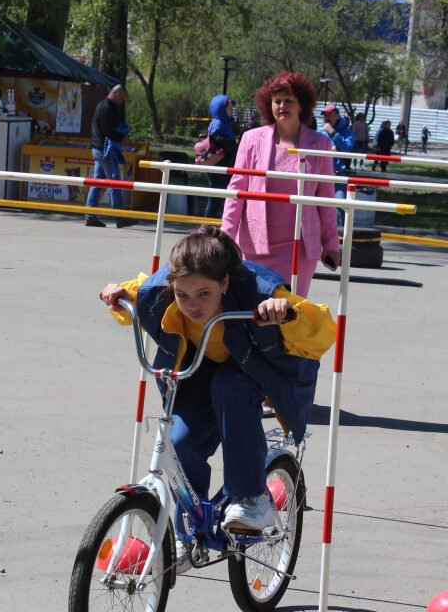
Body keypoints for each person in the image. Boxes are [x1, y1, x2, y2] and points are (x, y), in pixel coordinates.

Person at [98, 226, 335, 538]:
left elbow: (323, 328)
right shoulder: (164, 291)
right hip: (200, 370)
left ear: (224, 283)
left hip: (253, 371)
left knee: (229, 385)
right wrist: (120, 295)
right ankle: (192, 529)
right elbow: (140, 294)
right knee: (180, 443)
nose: (192, 305)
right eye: (182, 295)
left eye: (204, 294)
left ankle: (252, 498)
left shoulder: (257, 290)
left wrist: (287, 311)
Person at [223, 71, 341, 298]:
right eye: (277, 101)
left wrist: (332, 244)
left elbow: (326, 198)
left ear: (301, 105)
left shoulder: (320, 143)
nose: (282, 105)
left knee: (289, 314)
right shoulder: (251, 138)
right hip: (254, 245)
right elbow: (236, 191)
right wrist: (225, 237)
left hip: (299, 246)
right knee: (252, 311)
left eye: (289, 100)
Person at [85, 84, 133, 228]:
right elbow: (108, 132)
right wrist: (122, 137)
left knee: (98, 182)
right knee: (115, 182)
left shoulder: (104, 105)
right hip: (105, 150)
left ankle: (89, 215)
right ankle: (120, 218)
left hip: (99, 149)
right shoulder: (106, 108)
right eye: (122, 99)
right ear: (117, 95)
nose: (121, 102)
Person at [203, 94, 240, 219]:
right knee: (215, 200)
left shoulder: (222, 124)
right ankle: (206, 229)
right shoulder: (219, 125)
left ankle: (210, 228)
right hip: (219, 168)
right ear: (221, 109)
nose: (232, 111)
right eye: (229, 108)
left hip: (221, 167)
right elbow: (227, 147)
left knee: (218, 199)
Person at [319, 104, 355, 226]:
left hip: (339, 175)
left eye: (329, 114)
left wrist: (333, 133)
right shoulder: (319, 132)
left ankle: (338, 241)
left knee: (339, 209)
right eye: (324, 115)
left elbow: (346, 150)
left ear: (337, 115)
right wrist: (333, 149)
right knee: (317, 208)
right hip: (321, 175)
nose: (326, 118)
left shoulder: (348, 132)